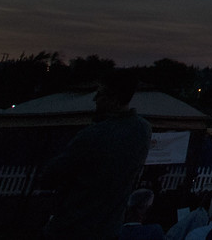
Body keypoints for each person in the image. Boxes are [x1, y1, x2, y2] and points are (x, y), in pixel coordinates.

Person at [35, 70, 153, 240]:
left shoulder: (94, 135)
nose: (95, 100)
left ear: (113, 98)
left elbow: (49, 177)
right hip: (109, 229)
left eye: (99, 94)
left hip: (72, 228)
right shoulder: (143, 130)